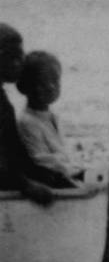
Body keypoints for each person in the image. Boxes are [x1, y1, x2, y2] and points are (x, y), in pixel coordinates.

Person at [0, 25, 68, 204]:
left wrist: (46, 176)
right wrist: (26, 185)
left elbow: (17, 155)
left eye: (20, 55)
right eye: (12, 57)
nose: (20, 63)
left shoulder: (4, 103)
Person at [16, 50, 82, 187]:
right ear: (25, 86)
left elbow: (62, 154)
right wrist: (75, 173)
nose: (51, 87)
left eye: (55, 80)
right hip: (53, 182)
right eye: (42, 82)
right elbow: (41, 160)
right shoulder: (27, 122)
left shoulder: (53, 118)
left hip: (67, 175)